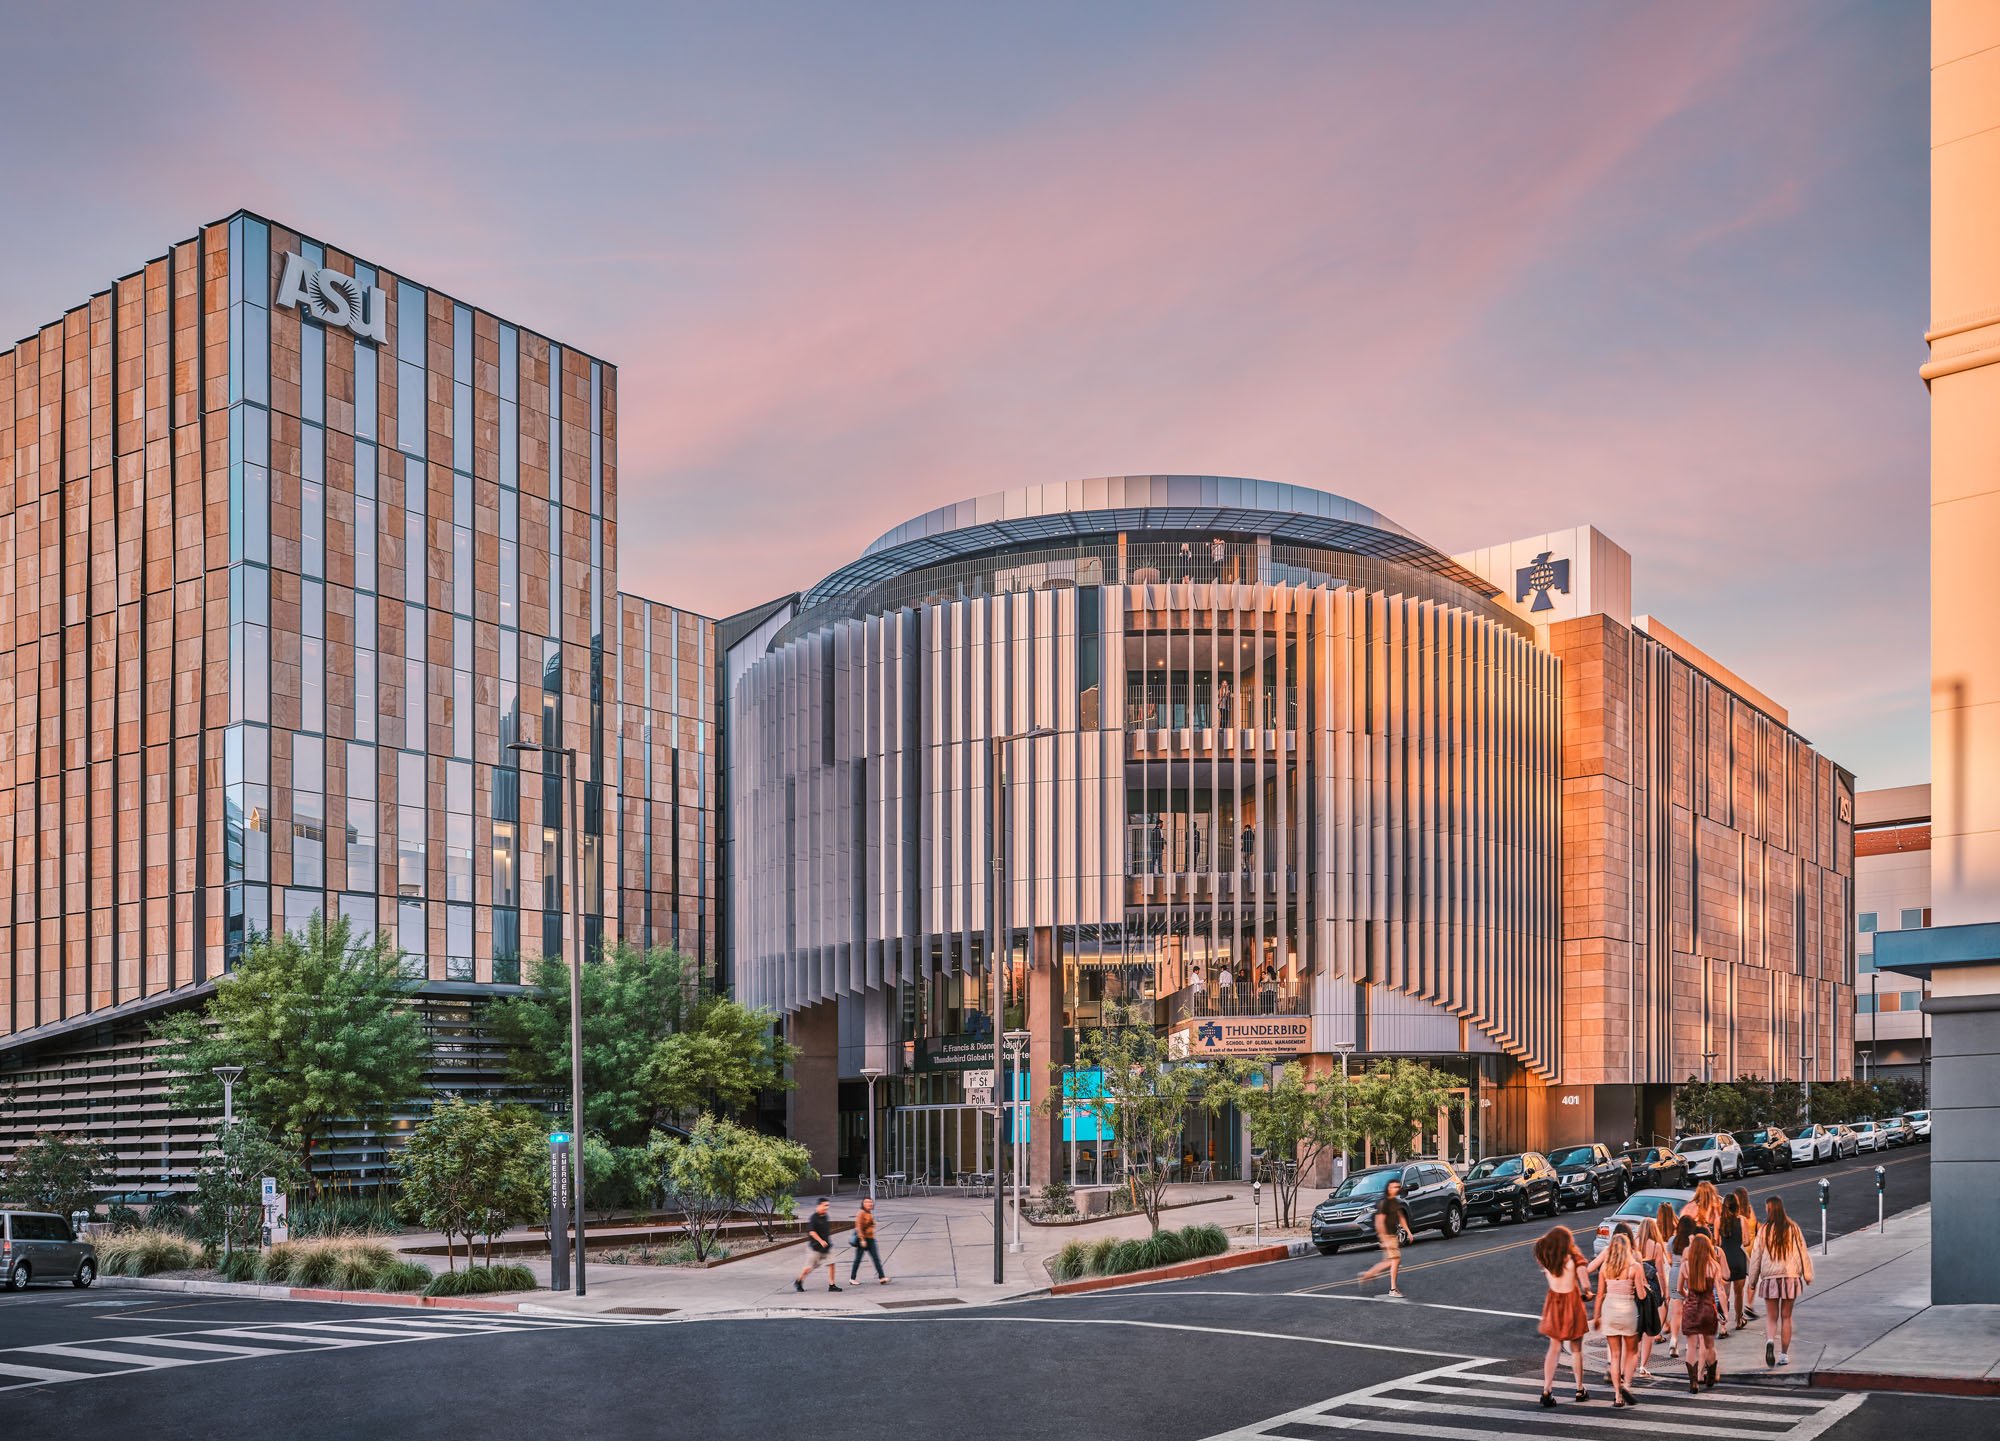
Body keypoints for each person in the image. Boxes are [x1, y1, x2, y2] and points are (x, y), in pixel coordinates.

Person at [1746, 1196, 1815, 1368]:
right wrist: (1807, 1275)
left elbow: (1756, 1257)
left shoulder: (1764, 1231)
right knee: (1786, 1317)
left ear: (1769, 1210)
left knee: (1771, 1317)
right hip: (1790, 1277)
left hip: (1770, 1279)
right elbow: (1802, 1251)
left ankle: (1770, 1341)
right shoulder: (1793, 1228)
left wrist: (1752, 1281)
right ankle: (1784, 1354)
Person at [1535, 1225, 1592, 1407]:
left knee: (1554, 1347)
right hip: (1571, 1303)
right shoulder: (1574, 1259)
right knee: (1576, 1348)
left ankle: (1547, 1389)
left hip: (1553, 1302)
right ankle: (1579, 1388)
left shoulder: (1547, 1258)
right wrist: (1588, 1293)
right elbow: (1586, 1285)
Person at [1592, 1230, 1648, 1408]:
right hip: (1627, 1310)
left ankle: (1617, 1395)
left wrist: (1596, 1316)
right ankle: (1627, 1385)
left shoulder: (1605, 1268)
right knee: (1632, 1352)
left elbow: (1600, 1294)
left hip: (1609, 1309)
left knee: (1615, 1355)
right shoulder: (1635, 1267)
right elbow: (1641, 1294)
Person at [1679, 1233, 1724, 1391]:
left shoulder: (1685, 1266)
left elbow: (1679, 1289)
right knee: (1709, 1345)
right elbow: (1720, 1291)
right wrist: (1723, 1312)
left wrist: (1688, 1297)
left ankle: (1693, 1382)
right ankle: (1710, 1377)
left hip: (1691, 1308)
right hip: (1707, 1308)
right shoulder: (1713, 1266)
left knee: (1692, 1347)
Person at [1357, 1176, 1412, 1298]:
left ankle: (1368, 1275)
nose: (1396, 1189)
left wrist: (1408, 1231)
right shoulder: (1384, 1203)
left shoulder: (1394, 1202)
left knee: (1389, 1262)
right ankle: (1393, 1289)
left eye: (1397, 1187)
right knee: (1395, 1261)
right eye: (1393, 1187)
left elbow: (1401, 1217)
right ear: (1388, 1188)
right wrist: (1384, 1239)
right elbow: (1379, 1222)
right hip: (1387, 1236)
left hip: (1392, 1235)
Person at [1632, 1218, 1667, 1380]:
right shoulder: (1656, 1246)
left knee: (1637, 1327)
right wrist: (1665, 1291)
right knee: (1650, 1328)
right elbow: (1660, 1271)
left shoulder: (1634, 1243)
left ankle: (1632, 1362)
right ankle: (1643, 1366)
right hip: (1652, 1286)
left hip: (1636, 1285)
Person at [1720, 1191, 1753, 1330]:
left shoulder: (1718, 1221)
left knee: (1724, 1295)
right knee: (1738, 1293)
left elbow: (1716, 1241)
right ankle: (1739, 1320)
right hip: (1738, 1259)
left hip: (1724, 1260)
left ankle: (1723, 1325)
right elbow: (1746, 1241)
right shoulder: (1742, 1220)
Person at [1654, 1201, 1683, 1361]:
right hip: (1672, 1267)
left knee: (1663, 1302)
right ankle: (1666, 1329)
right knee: (1675, 1303)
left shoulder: (1656, 1227)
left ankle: (1660, 1330)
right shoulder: (1676, 1227)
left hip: (1660, 1266)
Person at [796, 1197, 840, 1293]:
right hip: (815, 1248)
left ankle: (832, 1285)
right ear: (819, 1206)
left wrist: (826, 1242)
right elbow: (812, 1232)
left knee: (832, 1263)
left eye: (827, 1205)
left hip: (827, 1247)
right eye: (825, 1205)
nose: (826, 1208)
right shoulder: (813, 1218)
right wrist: (821, 1241)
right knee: (809, 1268)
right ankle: (799, 1281)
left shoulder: (825, 1216)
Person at [1730, 1186, 1760, 1323]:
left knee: (1738, 1284)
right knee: (1752, 1279)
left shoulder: (1736, 1215)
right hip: (1753, 1249)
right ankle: (1749, 1304)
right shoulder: (1750, 1210)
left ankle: (1740, 1308)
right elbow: (1756, 1226)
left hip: (1741, 1249)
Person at [849, 1196, 888, 1285]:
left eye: (870, 1202)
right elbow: (858, 1227)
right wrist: (862, 1240)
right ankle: (852, 1278)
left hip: (871, 1239)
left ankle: (882, 1277)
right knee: (858, 1259)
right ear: (863, 1204)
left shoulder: (869, 1213)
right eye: (866, 1202)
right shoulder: (861, 1213)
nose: (869, 1204)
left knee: (876, 1258)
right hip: (863, 1240)